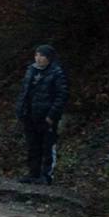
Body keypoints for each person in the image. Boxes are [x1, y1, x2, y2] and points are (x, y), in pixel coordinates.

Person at [14, 44, 69, 185]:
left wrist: (52, 115)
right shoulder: (31, 70)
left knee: (47, 146)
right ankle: (33, 173)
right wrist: (20, 110)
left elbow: (61, 96)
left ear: (49, 58)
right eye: (36, 55)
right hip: (30, 115)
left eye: (41, 56)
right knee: (33, 145)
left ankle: (46, 176)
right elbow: (24, 92)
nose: (38, 58)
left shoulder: (57, 73)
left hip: (46, 116)